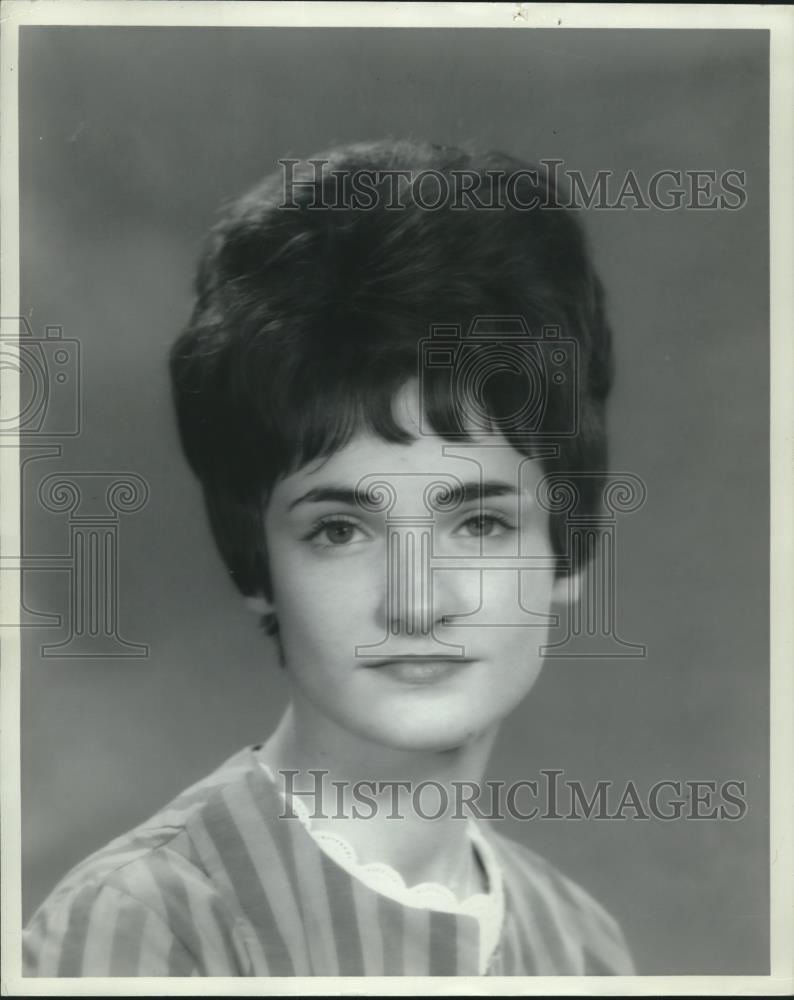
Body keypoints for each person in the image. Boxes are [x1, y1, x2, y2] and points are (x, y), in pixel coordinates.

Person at [23, 139, 634, 977]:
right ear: (259, 566)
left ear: (567, 554)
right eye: (340, 530)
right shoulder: (150, 925)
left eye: (481, 525)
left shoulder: (583, 946)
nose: (417, 604)